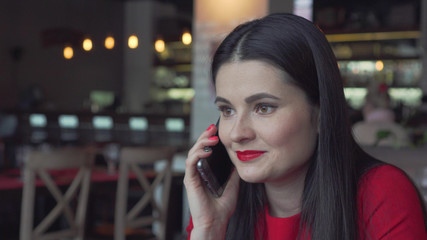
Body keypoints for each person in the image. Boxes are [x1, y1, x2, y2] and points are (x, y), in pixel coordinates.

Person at [183, 13, 427, 240]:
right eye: (227, 110)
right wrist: (208, 230)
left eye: (264, 108)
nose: (236, 133)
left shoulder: (380, 194)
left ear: (321, 114)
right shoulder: (222, 208)